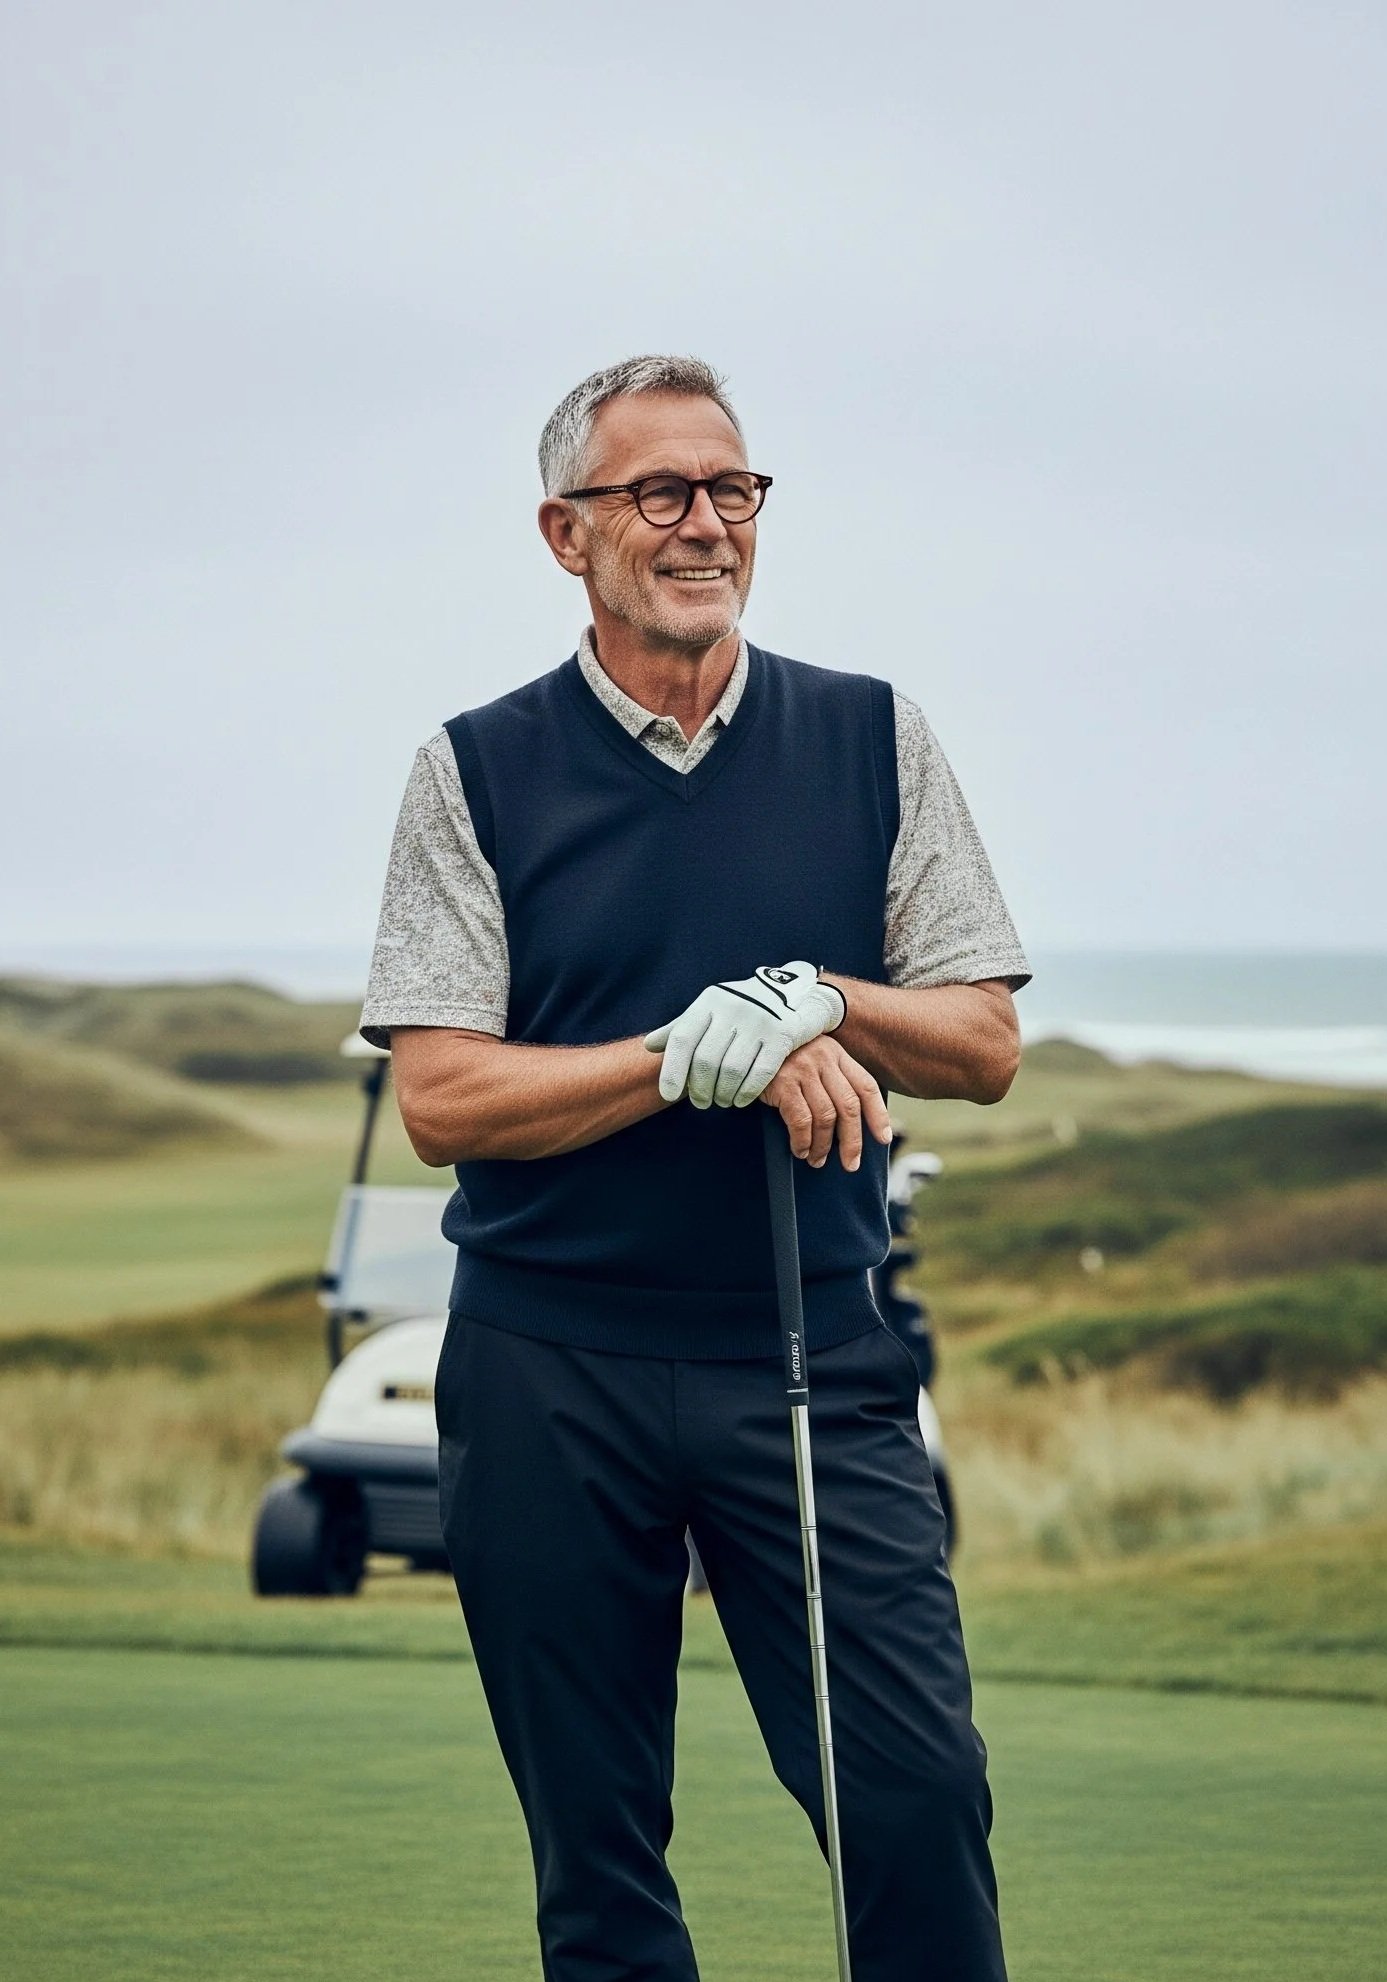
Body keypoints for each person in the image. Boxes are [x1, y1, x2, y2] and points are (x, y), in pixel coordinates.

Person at [359, 354, 1032, 1981]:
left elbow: (982, 1042)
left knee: (914, 1789)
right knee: (597, 1852)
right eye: (658, 492)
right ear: (564, 533)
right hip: (546, 1366)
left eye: (731, 489)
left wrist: (824, 995)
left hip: (809, 1357)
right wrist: (681, 1052)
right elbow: (443, 1094)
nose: (705, 524)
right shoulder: (476, 769)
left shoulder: (874, 735)